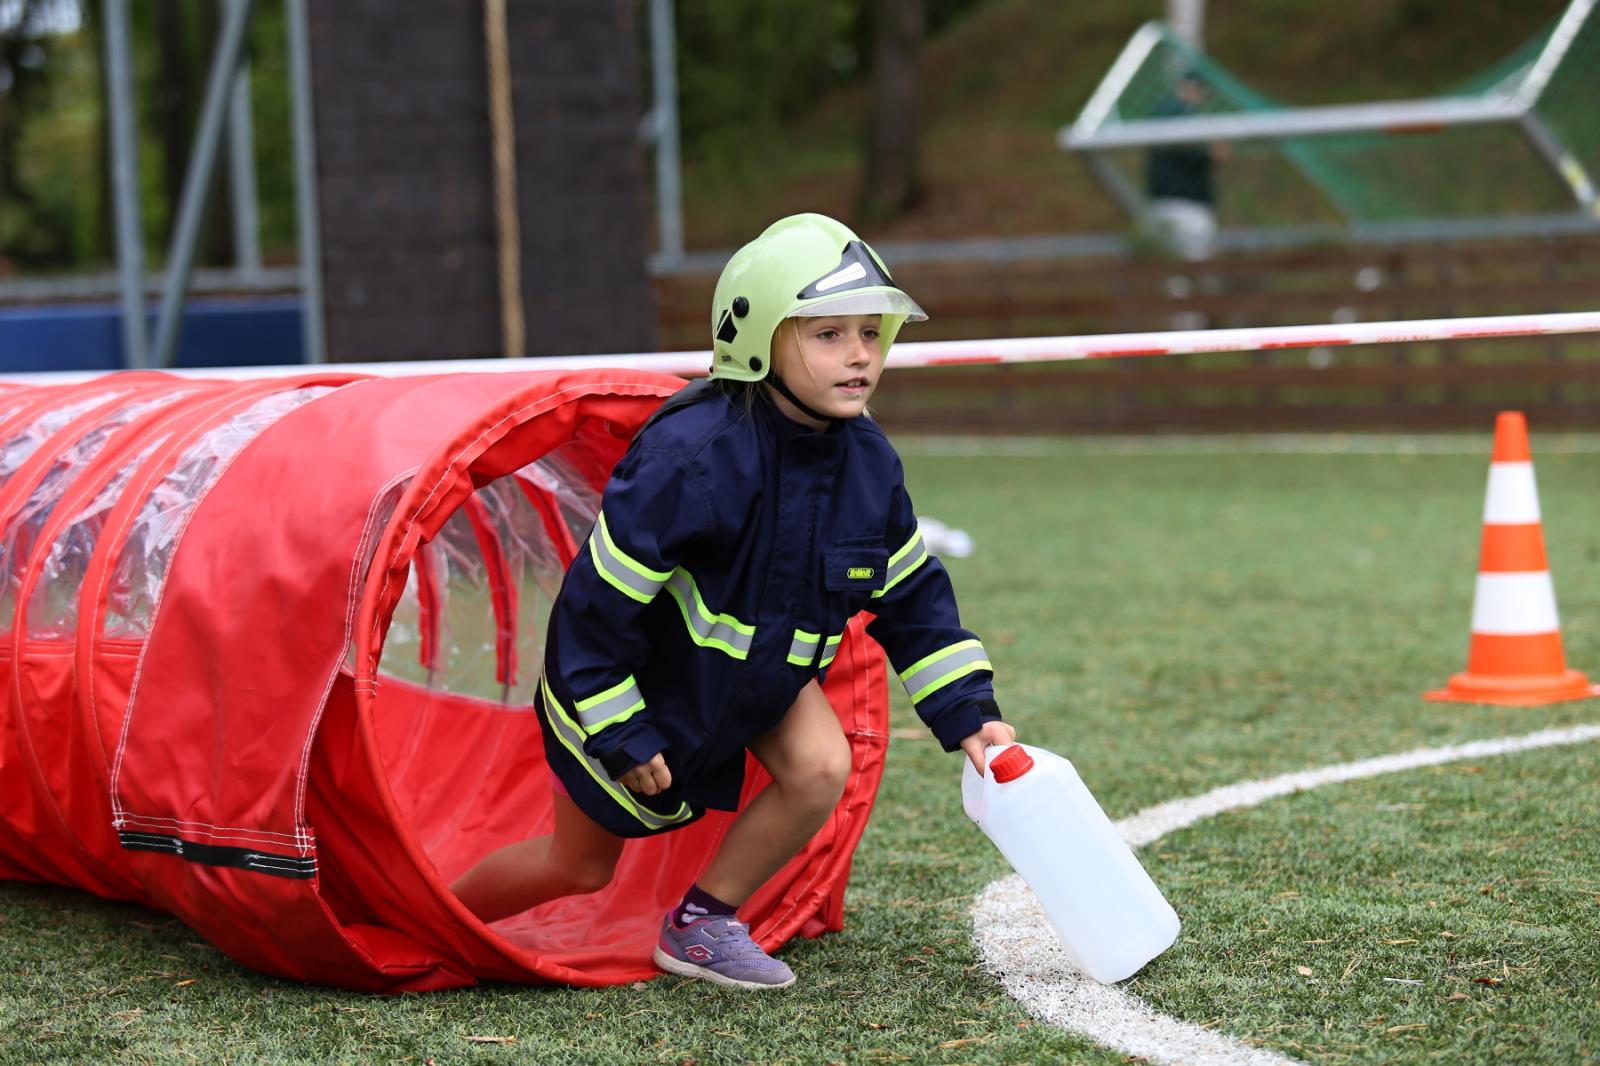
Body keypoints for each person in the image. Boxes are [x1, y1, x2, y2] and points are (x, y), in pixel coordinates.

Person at [450, 212, 1015, 990]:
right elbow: (593, 611)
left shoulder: (869, 462)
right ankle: (437, 919)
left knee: (822, 765)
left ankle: (703, 922)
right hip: (631, 681)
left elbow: (913, 597)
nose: (860, 355)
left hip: (759, 676)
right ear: (755, 339)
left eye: (871, 333)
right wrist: (620, 726)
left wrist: (969, 713)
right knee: (576, 868)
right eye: (828, 335)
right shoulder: (692, 456)